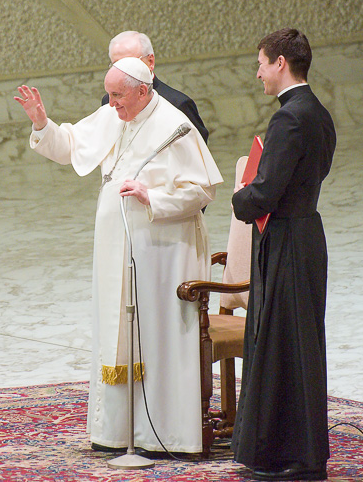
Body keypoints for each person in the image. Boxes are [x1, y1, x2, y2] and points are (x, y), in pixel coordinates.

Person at [15, 58, 223, 454]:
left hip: (163, 254)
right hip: (118, 249)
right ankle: (119, 433)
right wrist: (42, 123)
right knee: (119, 334)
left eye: (117, 95)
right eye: (109, 95)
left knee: (156, 338)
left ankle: (164, 436)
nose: (110, 103)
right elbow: (70, 145)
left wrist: (152, 196)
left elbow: (202, 191)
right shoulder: (115, 115)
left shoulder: (174, 125)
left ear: (143, 90)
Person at [231, 28, 336, 481]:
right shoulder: (319, 112)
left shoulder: (288, 118)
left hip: (288, 240)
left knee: (283, 346)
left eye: (261, 63)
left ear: (279, 63)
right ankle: (298, 451)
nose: (258, 73)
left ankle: (290, 455)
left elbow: (266, 192)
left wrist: (240, 197)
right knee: (299, 344)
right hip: (307, 233)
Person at [102, 31, 208, 143]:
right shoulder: (108, 102)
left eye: (131, 63)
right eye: (117, 65)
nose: (122, 71)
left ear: (150, 61)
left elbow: (195, 148)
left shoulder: (178, 104)